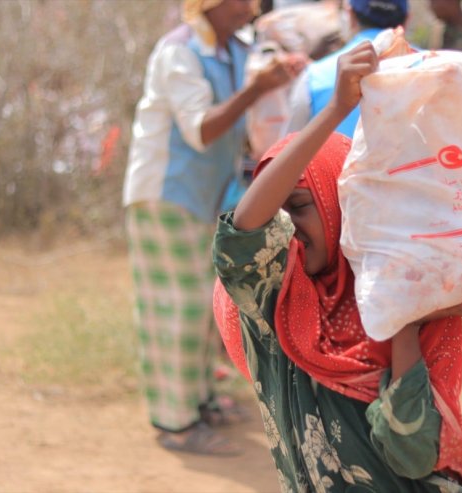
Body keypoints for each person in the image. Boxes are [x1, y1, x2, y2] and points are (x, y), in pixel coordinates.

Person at [214, 42, 462, 491]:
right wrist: (335, 109)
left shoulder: (400, 295)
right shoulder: (271, 305)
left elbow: (412, 454)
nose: (288, 228)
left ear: (341, 207)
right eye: (279, 211)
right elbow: (240, 235)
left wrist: (403, 319)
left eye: (300, 206)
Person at [123, 0, 301, 456]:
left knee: (205, 307)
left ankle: (200, 402)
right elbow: (201, 129)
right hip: (166, 194)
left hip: (203, 197)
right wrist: (258, 88)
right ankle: (175, 422)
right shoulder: (178, 52)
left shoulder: (233, 51)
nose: (250, 6)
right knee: (178, 310)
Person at [283, 0, 409, 138]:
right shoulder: (432, 69)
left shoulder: (313, 77)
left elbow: (284, 149)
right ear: (407, 19)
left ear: (350, 15)